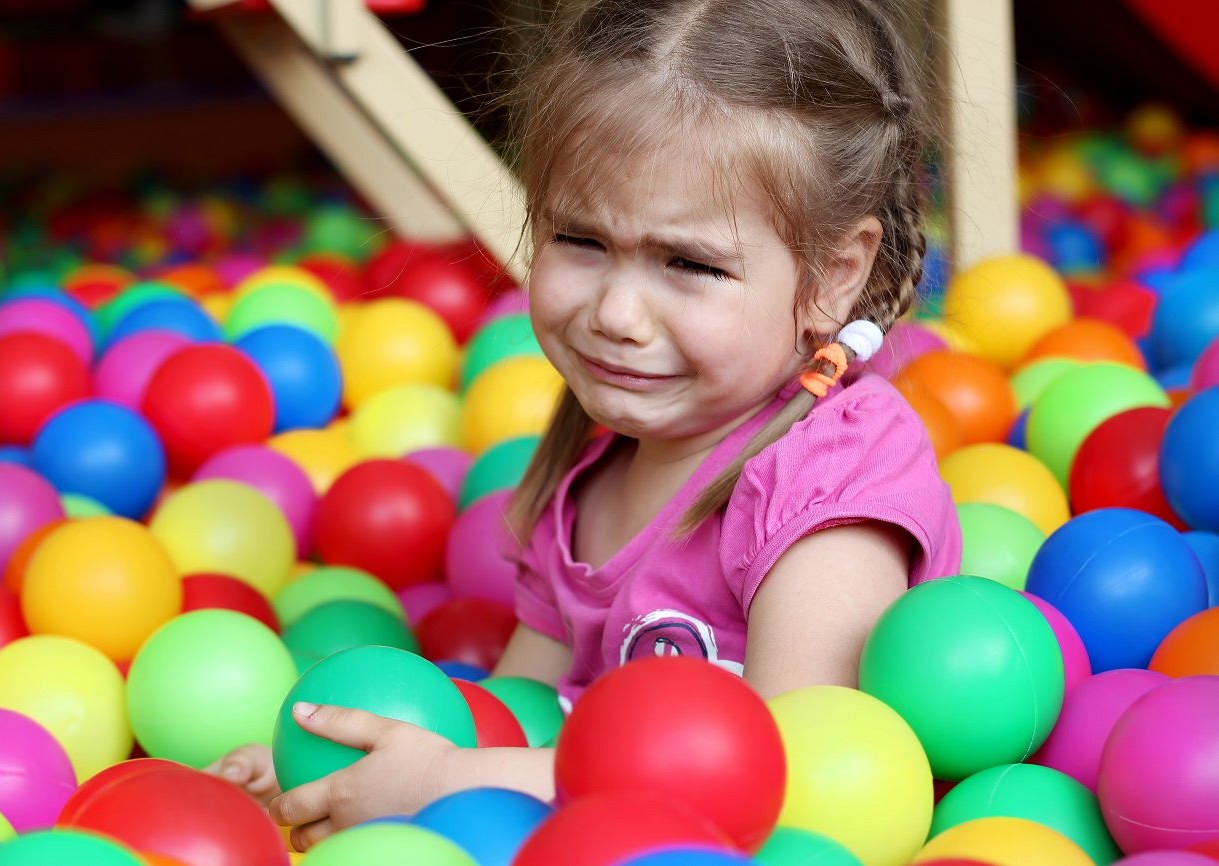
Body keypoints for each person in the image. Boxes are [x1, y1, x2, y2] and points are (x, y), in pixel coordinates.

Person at [209, 0, 962, 848]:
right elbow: (517, 721)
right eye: (580, 239)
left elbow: (786, 766)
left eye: (690, 263)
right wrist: (352, 770)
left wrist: (447, 782)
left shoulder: (832, 472)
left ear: (834, 276)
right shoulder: (591, 473)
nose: (618, 313)